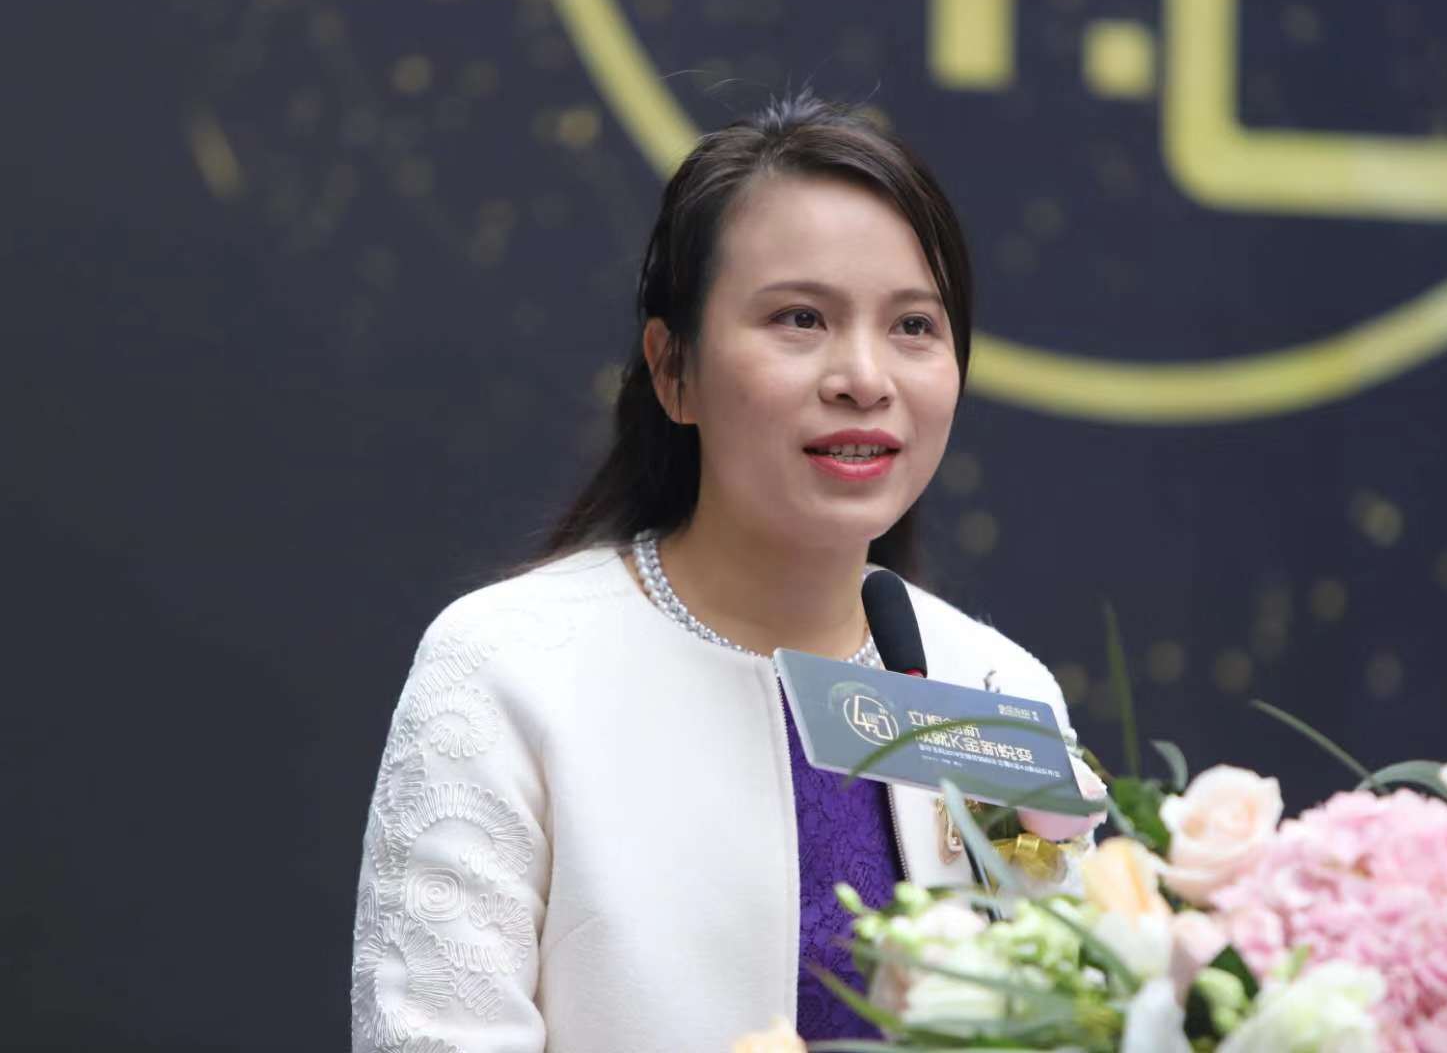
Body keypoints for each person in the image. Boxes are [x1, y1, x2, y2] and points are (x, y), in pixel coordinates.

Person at [350, 90, 1101, 1053]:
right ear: (674, 370)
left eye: (914, 326)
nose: (865, 378)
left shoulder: (993, 689)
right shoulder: (509, 669)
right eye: (801, 318)